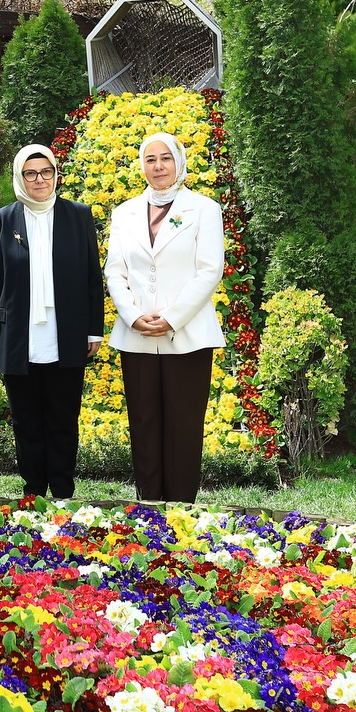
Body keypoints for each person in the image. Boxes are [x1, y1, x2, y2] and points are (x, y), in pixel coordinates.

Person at [105, 132, 225, 503]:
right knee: (143, 424)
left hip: (187, 336)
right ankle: (149, 506)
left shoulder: (204, 209)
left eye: (165, 158)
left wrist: (171, 318)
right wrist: (134, 316)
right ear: (142, 166)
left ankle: (182, 507)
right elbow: (115, 271)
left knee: (183, 425)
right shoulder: (123, 213)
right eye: (150, 159)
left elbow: (209, 270)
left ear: (179, 162)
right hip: (136, 335)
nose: (158, 166)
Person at [0, 144, 104, 500]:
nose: (40, 179)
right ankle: (33, 492)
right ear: (19, 178)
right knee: (26, 422)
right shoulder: (1, 221)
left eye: (46, 171)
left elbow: (91, 278)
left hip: (66, 334)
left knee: (63, 420)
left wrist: (93, 329)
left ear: (56, 175)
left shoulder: (78, 216)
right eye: (31, 173)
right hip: (18, 337)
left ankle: (64, 492)